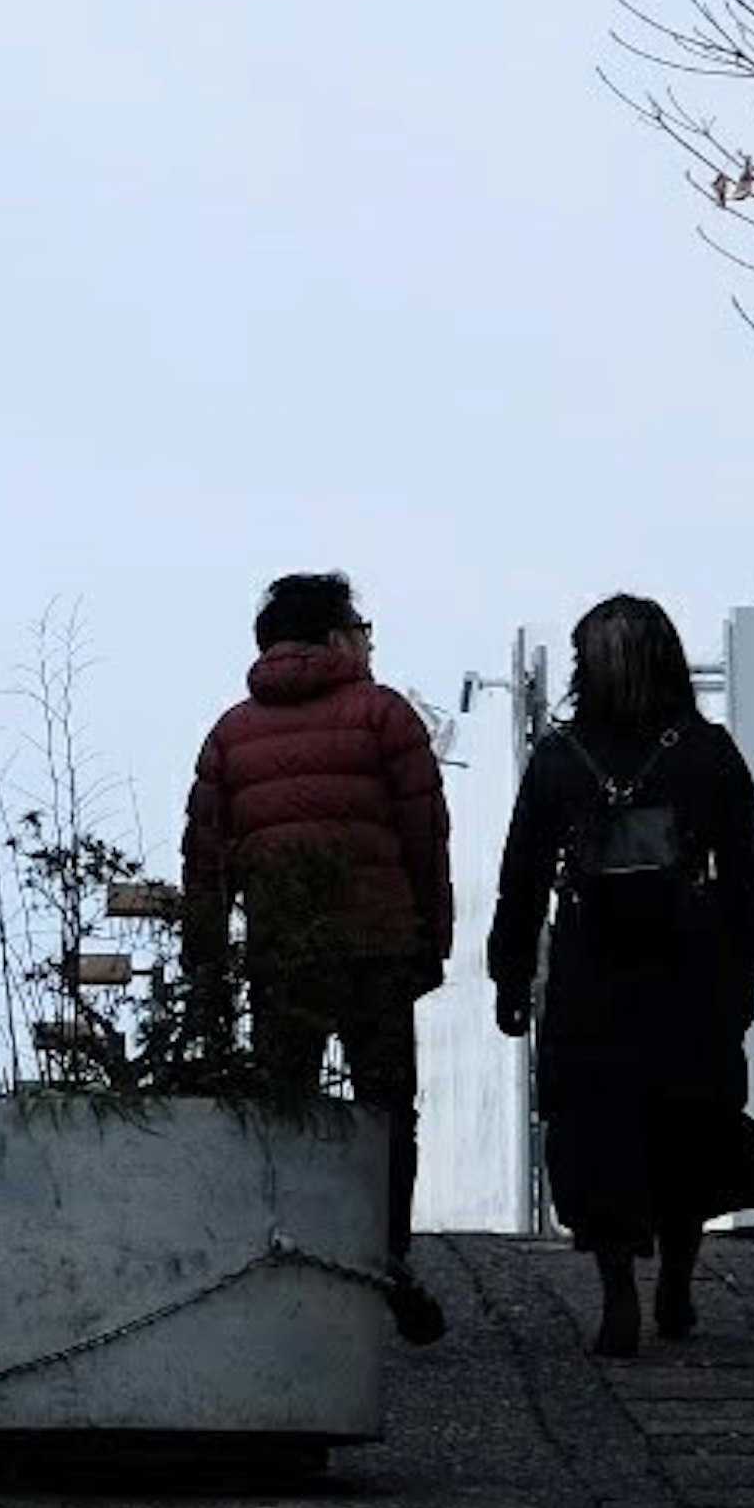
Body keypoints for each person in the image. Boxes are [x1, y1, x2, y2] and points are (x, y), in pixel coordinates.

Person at [486, 593, 754, 1356]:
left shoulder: (559, 758)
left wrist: (510, 976)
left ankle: (618, 1290)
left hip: (591, 974)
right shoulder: (707, 753)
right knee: (690, 1124)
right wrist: (748, 966)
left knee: (595, 1129)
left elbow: (520, 879)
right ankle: (676, 1281)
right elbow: (751, 870)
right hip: (692, 973)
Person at [180, 569, 454, 1349]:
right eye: (362, 628)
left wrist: (206, 969)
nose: (368, 642)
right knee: (386, 1110)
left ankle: (283, 1254)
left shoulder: (230, 733)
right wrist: (430, 940)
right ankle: (386, 1258)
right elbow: (425, 839)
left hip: (282, 956)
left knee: (284, 1106)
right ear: (337, 636)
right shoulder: (383, 716)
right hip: (378, 948)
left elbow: (205, 863)